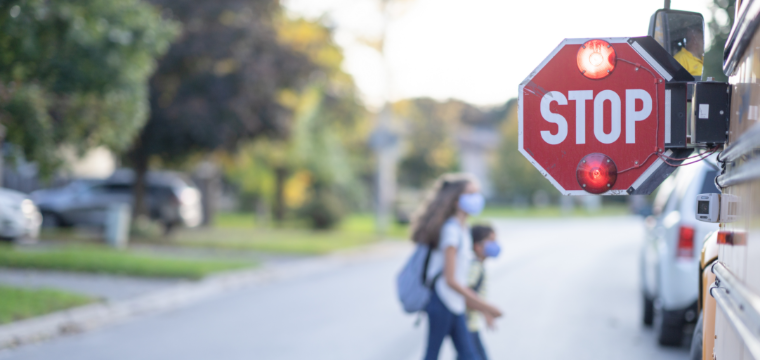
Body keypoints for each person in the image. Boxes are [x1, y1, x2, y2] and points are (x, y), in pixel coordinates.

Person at [410, 173, 502, 360]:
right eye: (470, 194)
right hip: (442, 301)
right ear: (455, 200)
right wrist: (485, 306)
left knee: (468, 355)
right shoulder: (451, 231)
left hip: (454, 302)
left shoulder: (462, 229)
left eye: (477, 193)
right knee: (435, 354)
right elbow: (450, 279)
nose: (476, 198)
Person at [460, 225, 501, 360]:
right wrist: (488, 310)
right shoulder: (475, 267)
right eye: (491, 241)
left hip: (471, 326)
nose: (495, 245)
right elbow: (467, 296)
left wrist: (485, 313)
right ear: (478, 246)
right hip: (467, 326)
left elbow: (473, 295)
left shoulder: (478, 266)